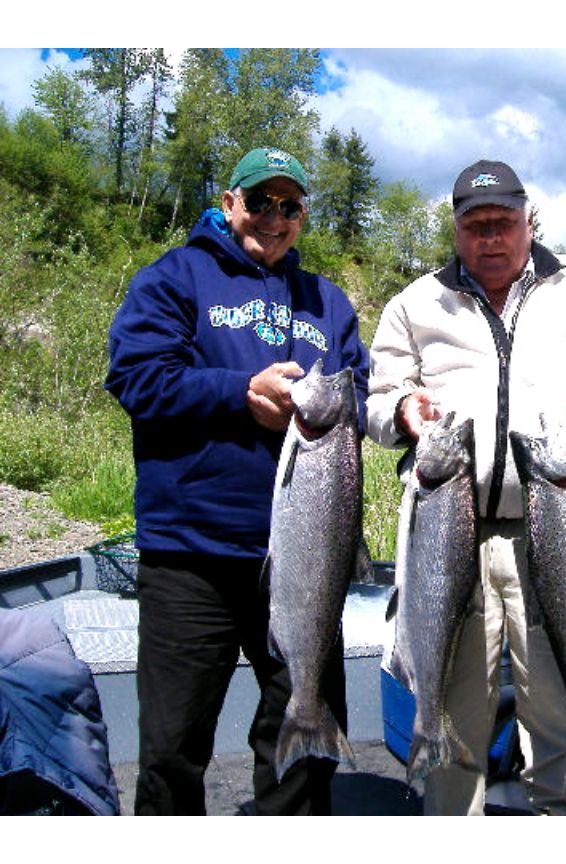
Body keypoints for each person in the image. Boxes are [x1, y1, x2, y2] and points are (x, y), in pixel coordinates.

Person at [367, 159, 566, 815]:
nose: (490, 237)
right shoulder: (415, 303)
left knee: (560, 712)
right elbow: (376, 405)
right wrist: (405, 411)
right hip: (447, 535)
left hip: (560, 537)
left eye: (504, 222)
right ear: (457, 228)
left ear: (528, 221)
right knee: (454, 714)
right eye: (475, 224)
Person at [105, 147, 369, 815]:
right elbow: (135, 377)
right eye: (260, 203)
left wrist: (334, 407)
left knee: (303, 746)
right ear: (230, 204)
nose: (273, 219)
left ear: (302, 215)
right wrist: (236, 391)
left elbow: (360, 394)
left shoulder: (327, 304)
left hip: (306, 560)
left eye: (289, 207)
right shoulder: (174, 279)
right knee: (172, 748)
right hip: (191, 554)